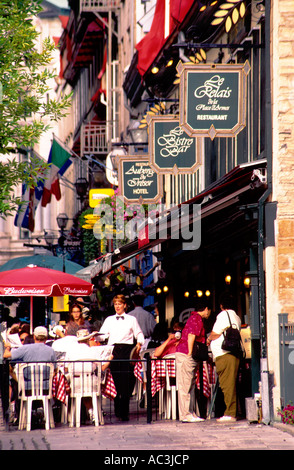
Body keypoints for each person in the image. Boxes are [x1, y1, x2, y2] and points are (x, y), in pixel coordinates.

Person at [99, 294, 144, 421]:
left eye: (119, 304)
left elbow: (139, 333)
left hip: (127, 351)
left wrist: (139, 343)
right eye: (115, 304)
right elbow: (102, 335)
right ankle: (118, 408)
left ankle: (124, 411)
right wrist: (94, 336)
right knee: (116, 380)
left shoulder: (132, 319)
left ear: (125, 305)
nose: (117, 306)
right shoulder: (109, 320)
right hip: (113, 351)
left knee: (128, 381)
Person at [207, 293, 241, 423]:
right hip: (233, 354)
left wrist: (208, 339)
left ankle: (230, 413)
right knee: (230, 383)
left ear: (222, 306)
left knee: (227, 385)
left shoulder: (222, 315)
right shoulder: (236, 317)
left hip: (224, 353)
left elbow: (215, 333)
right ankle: (231, 411)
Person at [175, 299, 211, 423]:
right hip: (186, 354)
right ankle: (185, 414)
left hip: (186, 353)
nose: (209, 313)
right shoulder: (196, 319)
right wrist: (190, 352)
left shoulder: (194, 318)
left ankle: (190, 412)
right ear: (206, 309)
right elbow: (191, 335)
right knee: (186, 385)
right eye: (209, 311)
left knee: (190, 384)